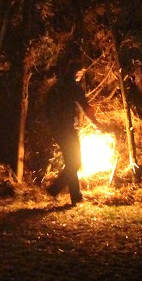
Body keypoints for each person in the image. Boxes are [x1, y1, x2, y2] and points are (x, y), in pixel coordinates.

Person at [45, 60, 103, 206]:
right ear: (76, 73)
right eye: (81, 72)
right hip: (66, 130)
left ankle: (76, 197)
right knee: (75, 162)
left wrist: (51, 125)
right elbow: (86, 107)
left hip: (58, 129)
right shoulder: (73, 87)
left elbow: (46, 107)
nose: (82, 75)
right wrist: (96, 124)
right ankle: (54, 189)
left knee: (72, 162)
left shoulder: (57, 87)